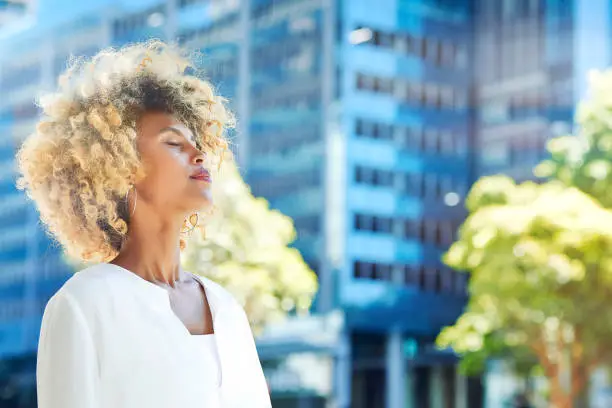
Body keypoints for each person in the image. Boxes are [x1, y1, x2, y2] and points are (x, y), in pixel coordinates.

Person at [17, 40, 271, 408]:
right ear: (119, 166)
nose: (198, 153)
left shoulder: (227, 308)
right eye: (172, 142)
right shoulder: (83, 304)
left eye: (195, 141)